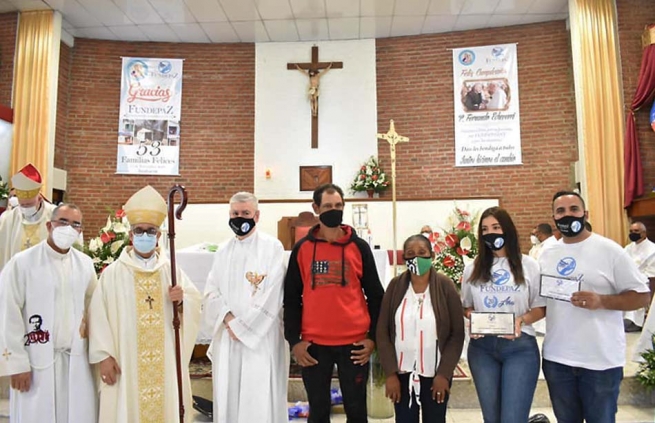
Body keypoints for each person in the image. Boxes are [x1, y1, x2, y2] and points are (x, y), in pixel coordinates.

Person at [88, 185, 202, 423]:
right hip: (126, 360)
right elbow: (97, 316)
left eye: (150, 231)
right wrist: (104, 356)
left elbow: (194, 302)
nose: (145, 236)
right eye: (139, 231)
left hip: (165, 361)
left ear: (159, 236)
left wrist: (182, 301)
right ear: (130, 235)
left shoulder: (171, 271)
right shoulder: (114, 274)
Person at [539, 191, 650, 423]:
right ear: (554, 218)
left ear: (584, 214)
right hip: (558, 359)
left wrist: (602, 301)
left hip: (600, 360)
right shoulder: (547, 254)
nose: (567, 215)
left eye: (573, 210)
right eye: (561, 211)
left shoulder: (609, 250)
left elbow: (641, 296)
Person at [284, 183, 385, 423]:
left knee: (356, 409)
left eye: (338, 205)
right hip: (314, 345)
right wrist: (295, 341)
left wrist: (372, 338)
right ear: (316, 208)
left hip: (354, 344)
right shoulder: (302, 249)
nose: (334, 210)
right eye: (328, 206)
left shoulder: (359, 247)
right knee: (318, 410)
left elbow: (376, 295)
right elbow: (290, 298)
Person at [0, 203, 97, 422]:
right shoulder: (22, 263)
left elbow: (94, 308)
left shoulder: (85, 265)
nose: (68, 228)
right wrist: (16, 364)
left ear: (80, 232)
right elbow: (8, 313)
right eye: (62, 221)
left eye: (75, 224)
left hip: (75, 360)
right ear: (49, 225)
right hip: (36, 362)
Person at [203, 192, 288, 423]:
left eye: (246, 214)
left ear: (257, 216)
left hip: (260, 338)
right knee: (229, 394)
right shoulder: (222, 251)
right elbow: (211, 292)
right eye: (235, 214)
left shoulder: (272, 247)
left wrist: (244, 327)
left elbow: (274, 293)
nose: (240, 218)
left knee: (258, 396)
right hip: (229, 337)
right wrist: (230, 320)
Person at [461, 207, 545, 423]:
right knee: (492, 418)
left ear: (507, 229)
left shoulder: (530, 265)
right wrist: (474, 320)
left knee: (513, 418)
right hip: (482, 350)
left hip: (519, 348)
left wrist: (521, 320)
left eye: (496, 227)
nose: (491, 233)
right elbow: (466, 306)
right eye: (485, 229)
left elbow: (540, 307)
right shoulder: (472, 269)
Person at [376, 234, 465, 423]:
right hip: (402, 374)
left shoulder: (445, 286)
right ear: (403, 259)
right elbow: (383, 331)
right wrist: (391, 374)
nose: (416, 258)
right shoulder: (395, 287)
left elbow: (456, 334)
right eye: (410, 254)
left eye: (422, 253)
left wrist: (444, 374)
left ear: (431, 256)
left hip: (436, 374)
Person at [0, 164, 56, 271]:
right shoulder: (8, 219)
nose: (26, 207)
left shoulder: (54, 215)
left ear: (39, 198)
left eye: (29, 204)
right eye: (23, 205)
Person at [624, 222, 655, 333]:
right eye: (631, 231)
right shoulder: (628, 248)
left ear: (644, 233)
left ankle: (636, 321)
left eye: (636, 231)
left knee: (636, 289)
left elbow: (651, 274)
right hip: (627, 279)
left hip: (643, 280)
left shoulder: (652, 249)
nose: (633, 234)